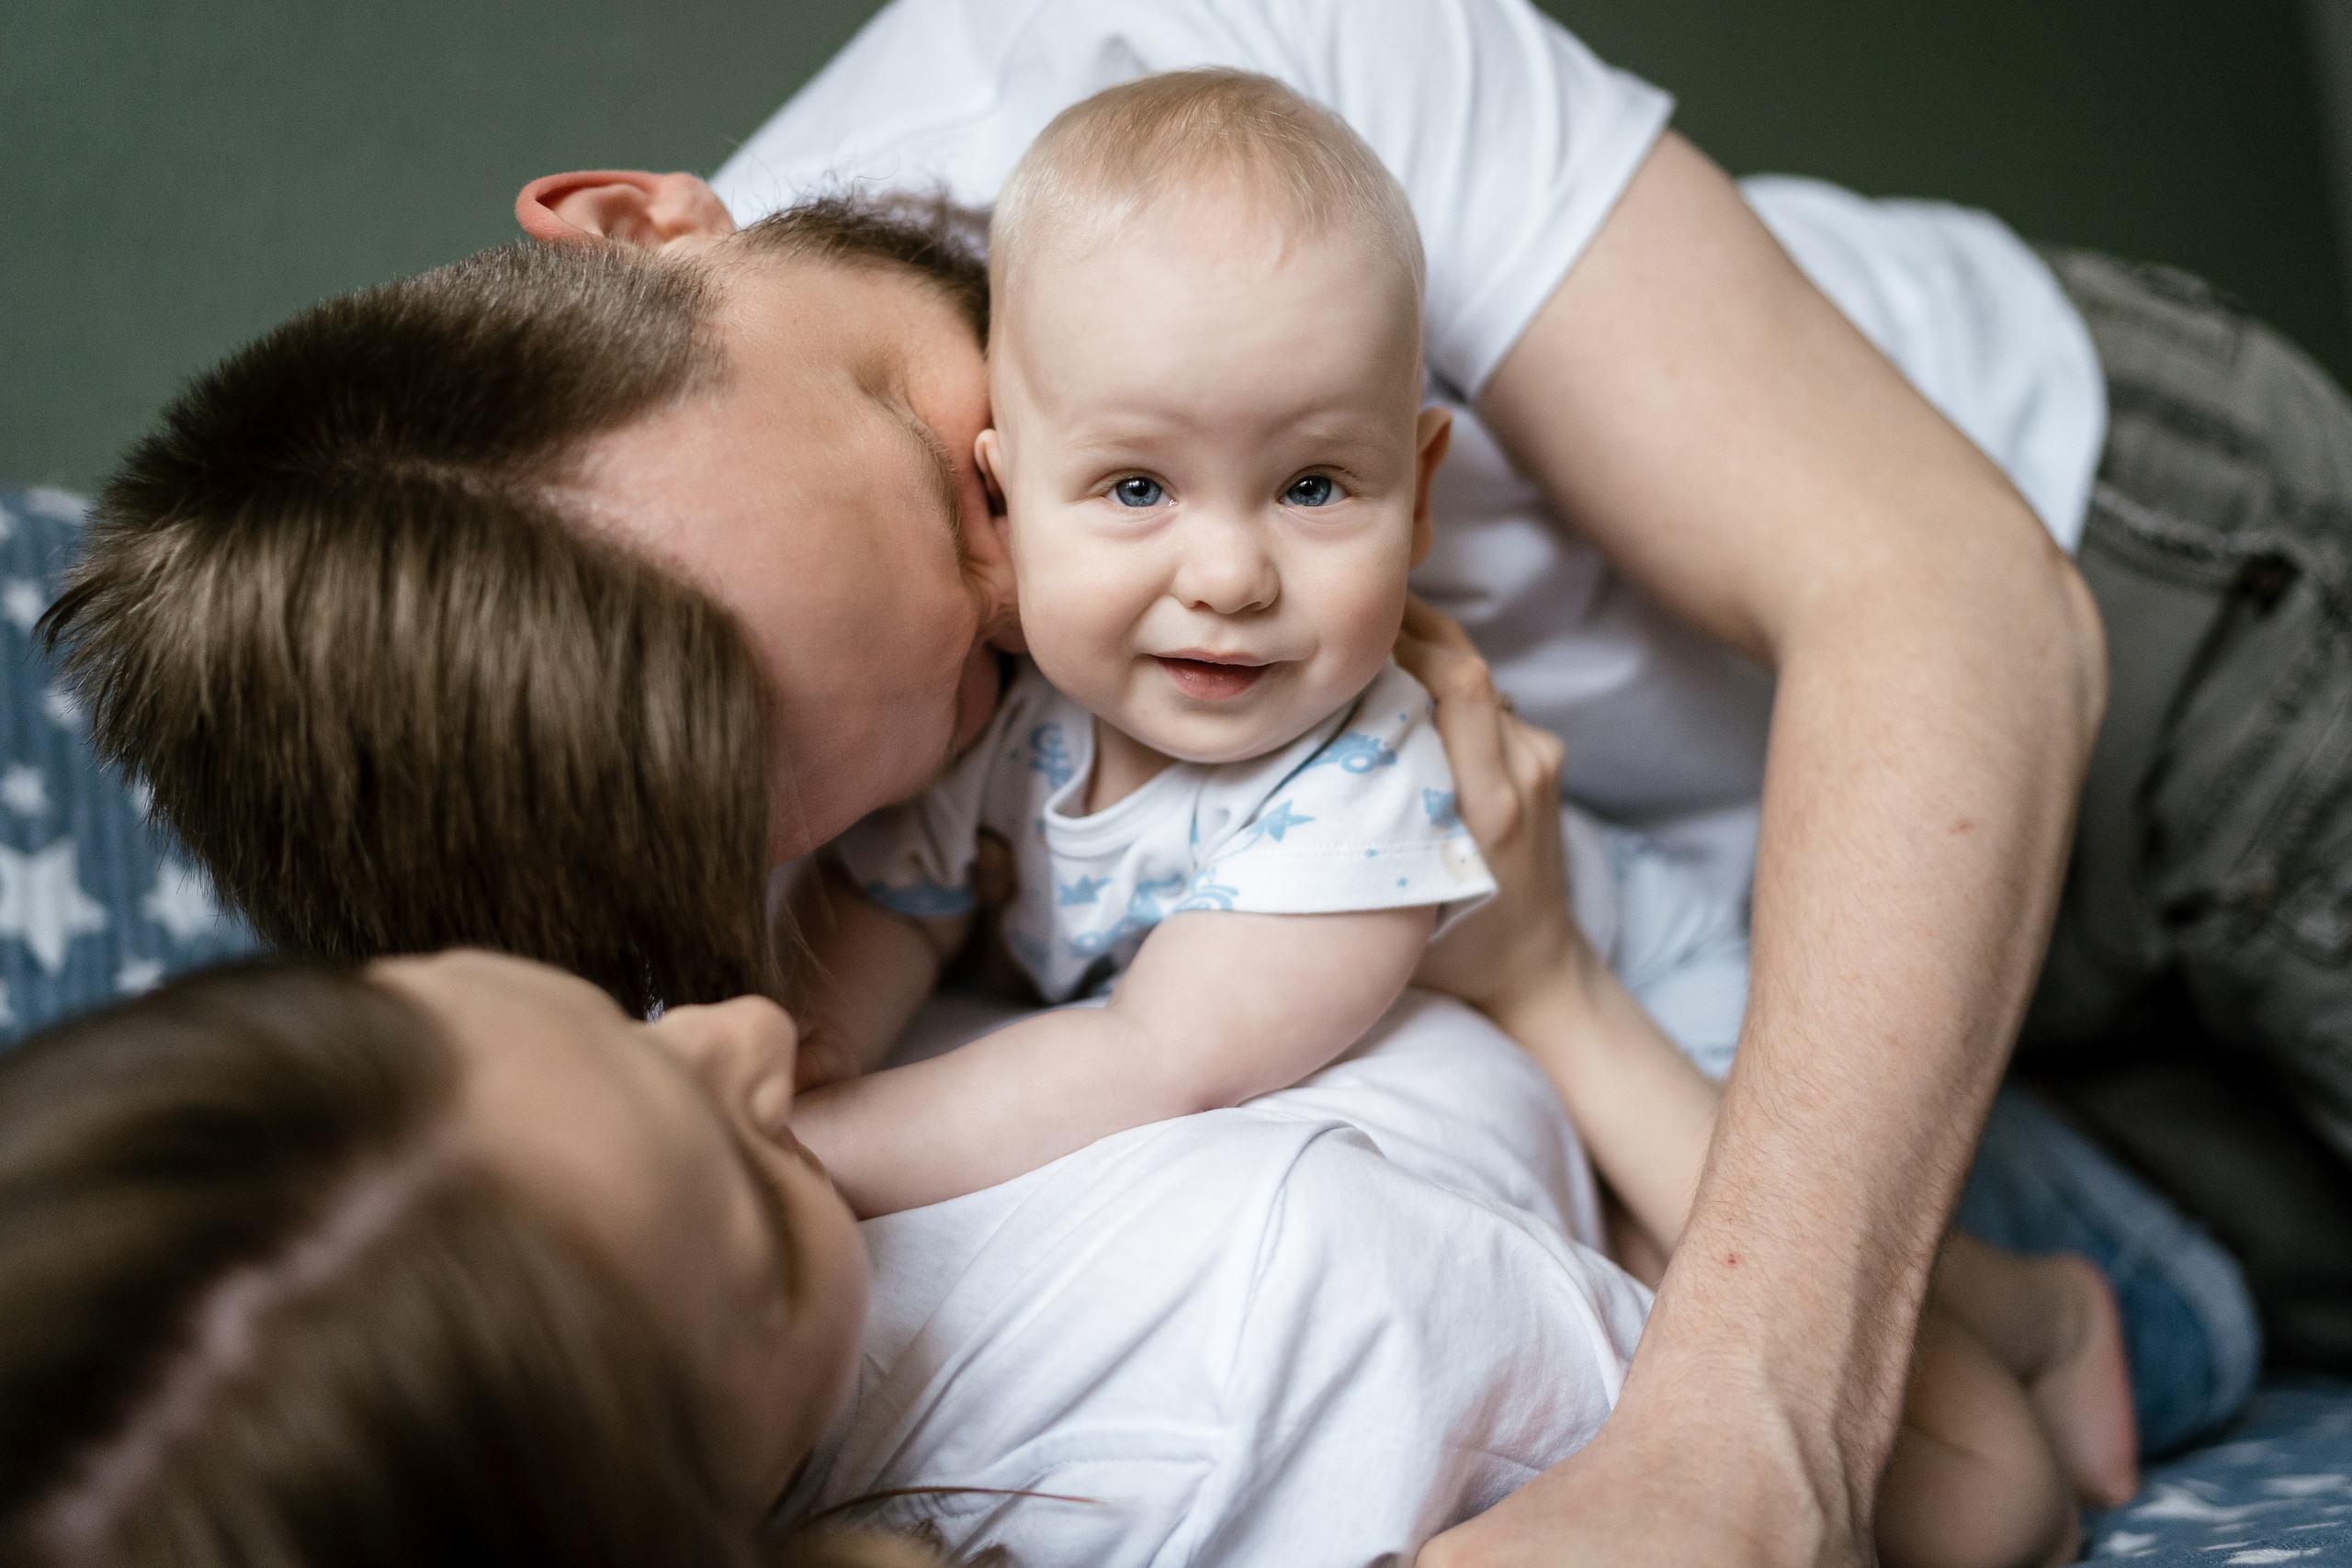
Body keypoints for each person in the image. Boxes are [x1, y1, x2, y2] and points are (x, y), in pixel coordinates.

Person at [42, 0, 2325, 1557]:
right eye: (960, 708)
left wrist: (1748, 1430)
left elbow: (1937, 594)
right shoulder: (621, 838)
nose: (1092, 621)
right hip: (1782, 970)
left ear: (647, 227)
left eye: (944, 462)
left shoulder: (1189, 70)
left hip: (2120, 609)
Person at [788, 72, 1497, 1218]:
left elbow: (1151, 1055)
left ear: (1415, 496)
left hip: (1674, 985)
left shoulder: (1364, 781)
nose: (1227, 579)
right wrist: (807, 1052)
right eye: (1135, 486)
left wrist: (807, 1147)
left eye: (1312, 485)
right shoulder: (1004, 719)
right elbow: (897, 904)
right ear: (1005, 500)